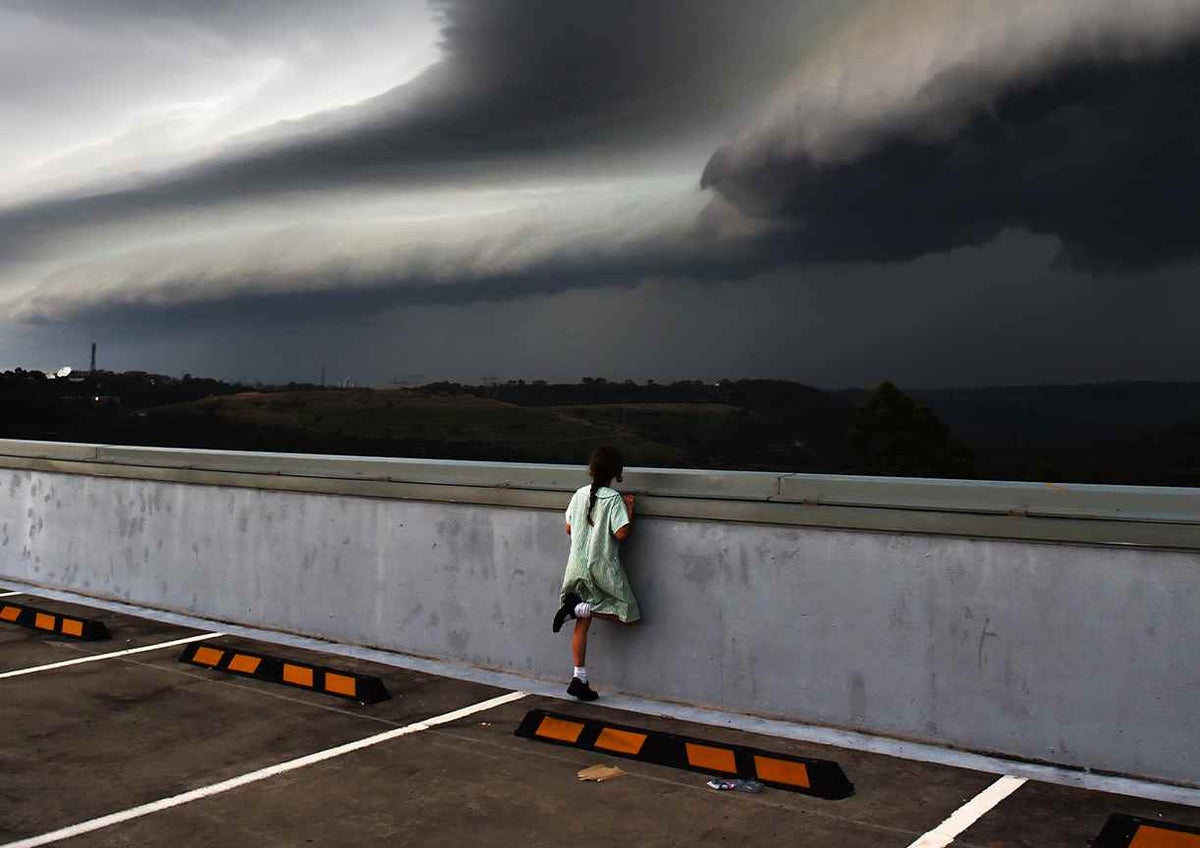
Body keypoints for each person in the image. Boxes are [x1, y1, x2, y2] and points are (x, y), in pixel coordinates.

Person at [552, 445, 640, 701]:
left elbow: (569, 528)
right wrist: (630, 511)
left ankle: (579, 678)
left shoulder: (578, 495)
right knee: (627, 613)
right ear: (616, 472)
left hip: (576, 566)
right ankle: (578, 608)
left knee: (582, 624)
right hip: (601, 568)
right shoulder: (613, 499)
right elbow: (620, 533)